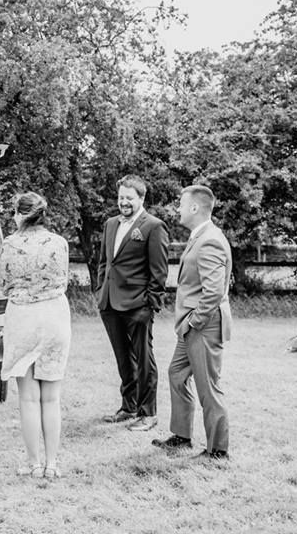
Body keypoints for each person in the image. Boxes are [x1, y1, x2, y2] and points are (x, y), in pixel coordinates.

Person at [152, 185, 233, 460]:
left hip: (203, 325)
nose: (178, 209)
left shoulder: (210, 240)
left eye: (181, 204)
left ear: (195, 208)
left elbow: (213, 292)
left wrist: (192, 322)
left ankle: (218, 451)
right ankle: (181, 436)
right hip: (192, 324)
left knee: (208, 386)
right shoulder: (200, 236)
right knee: (176, 373)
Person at [0, 192, 71, 479]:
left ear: (20, 213)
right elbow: (63, 279)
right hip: (54, 316)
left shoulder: (10, 244)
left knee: (28, 397)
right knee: (51, 397)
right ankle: (52, 464)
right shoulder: (60, 243)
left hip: (24, 317)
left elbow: (5, 285)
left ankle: (33, 463)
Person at [96, 175, 169, 431]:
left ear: (141, 198)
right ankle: (128, 407)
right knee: (123, 358)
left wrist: (150, 304)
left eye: (129, 198)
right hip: (109, 303)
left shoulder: (153, 226)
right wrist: (99, 291)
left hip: (138, 305)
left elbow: (159, 272)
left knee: (144, 358)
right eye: (121, 197)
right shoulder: (110, 224)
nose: (123, 202)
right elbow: (105, 262)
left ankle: (148, 413)